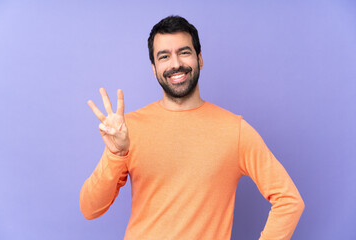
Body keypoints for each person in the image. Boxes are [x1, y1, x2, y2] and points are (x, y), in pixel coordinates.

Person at [80, 16, 304, 240]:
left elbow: (289, 201)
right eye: (164, 56)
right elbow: (90, 209)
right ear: (154, 68)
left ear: (200, 59)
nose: (175, 63)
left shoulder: (235, 130)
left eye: (184, 52)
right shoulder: (127, 131)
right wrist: (115, 154)